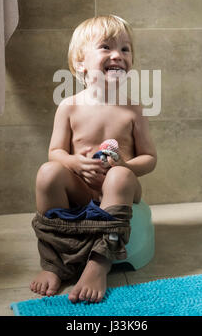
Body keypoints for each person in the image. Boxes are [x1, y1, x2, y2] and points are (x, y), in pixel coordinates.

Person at [30, 15, 157, 303]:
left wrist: (124, 165)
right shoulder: (69, 106)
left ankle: (100, 261)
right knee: (48, 173)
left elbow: (149, 158)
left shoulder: (133, 109)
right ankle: (54, 262)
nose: (118, 55)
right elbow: (56, 152)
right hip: (82, 187)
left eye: (125, 49)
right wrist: (74, 163)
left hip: (119, 188)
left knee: (121, 176)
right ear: (80, 62)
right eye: (106, 47)